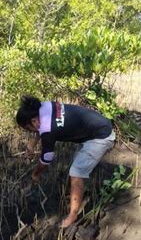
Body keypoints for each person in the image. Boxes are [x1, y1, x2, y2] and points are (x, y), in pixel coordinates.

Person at [16, 96, 115, 228]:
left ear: (34, 121)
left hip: (101, 136)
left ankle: (72, 216)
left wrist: (36, 174)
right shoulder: (44, 107)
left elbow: (47, 159)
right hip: (97, 126)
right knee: (76, 167)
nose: (30, 132)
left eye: (28, 129)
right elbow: (42, 126)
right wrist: (33, 144)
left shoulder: (48, 130)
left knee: (76, 173)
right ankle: (80, 191)